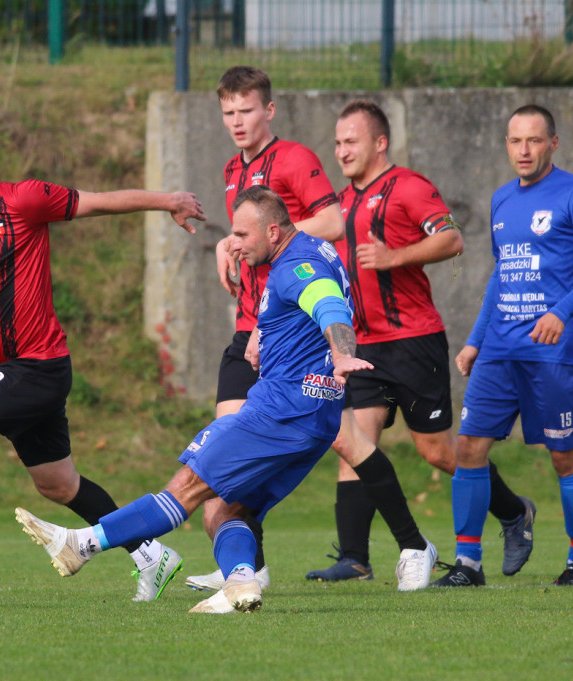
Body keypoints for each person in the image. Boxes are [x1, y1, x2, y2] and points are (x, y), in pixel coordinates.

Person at [16, 186, 373, 613]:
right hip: (318, 417)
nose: (234, 245)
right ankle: (241, 583)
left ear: (274, 231)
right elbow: (308, 304)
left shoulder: (295, 266)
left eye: (242, 235)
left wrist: (343, 354)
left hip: (280, 410)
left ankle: (82, 544)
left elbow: (326, 303)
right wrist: (266, 334)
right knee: (226, 507)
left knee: (186, 487)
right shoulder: (316, 249)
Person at [0, 114, 205, 602]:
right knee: (59, 485)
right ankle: (150, 553)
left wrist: (168, 200)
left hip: (36, 366)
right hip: (6, 370)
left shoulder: (22, 199)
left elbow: (101, 203)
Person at [186, 67, 439, 593]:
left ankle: (414, 544)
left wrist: (270, 236)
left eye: (246, 110)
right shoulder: (234, 167)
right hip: (252, 329)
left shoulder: (296, 159)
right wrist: (228, 244)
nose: (236, 121)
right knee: (230, 451)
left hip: (299, 334)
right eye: (228, 112)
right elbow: (250, 235)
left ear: (269, 111)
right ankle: (245, 568)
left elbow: (333, 221)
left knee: (347, 441)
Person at [307, 99, 537, 584]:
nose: (341, 151)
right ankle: (354, 557)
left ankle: (515, 512)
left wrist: (394, 257)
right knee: (352, 441)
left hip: (413, 340)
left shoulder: (409, 188)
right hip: (362, 345)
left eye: (351, 141)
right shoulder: (341, 203)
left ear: (380, 142)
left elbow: (451, 239)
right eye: (337, 142)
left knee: (436, 452)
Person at [435, 104, 573, 587]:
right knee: (469, 447)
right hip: (498, 350)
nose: (524, 150)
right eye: (515, 141)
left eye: (534, 140)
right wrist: (475, 341)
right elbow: (501, 275)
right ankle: (468, 564)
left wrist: (562, 312)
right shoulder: (500, 200)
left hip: (553, 353)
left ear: (552, 143)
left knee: (563, 456)